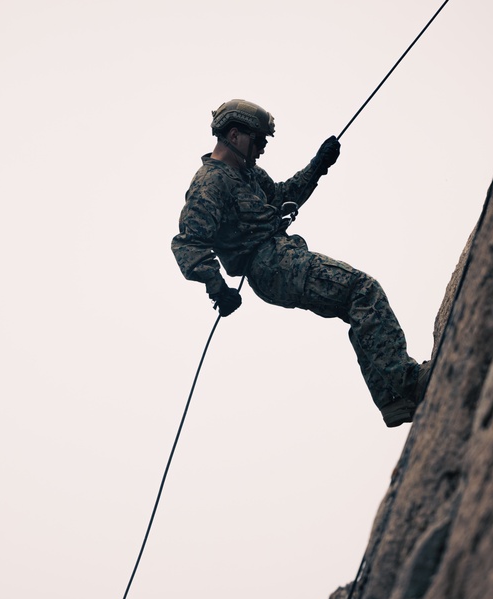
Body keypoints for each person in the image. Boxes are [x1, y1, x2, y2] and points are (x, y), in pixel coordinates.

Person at [171, 99, 430, 427]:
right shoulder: (210, 182)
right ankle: (409, 384)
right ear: (234, 135)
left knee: (356, 302)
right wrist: (216, 286)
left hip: (279, 257)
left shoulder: (249, 174)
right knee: (362, 291)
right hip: (271, 264)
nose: (262, 149)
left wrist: (319, 165)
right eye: (258, 141)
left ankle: (394, 399)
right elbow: (189, 242)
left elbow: (281, 196)